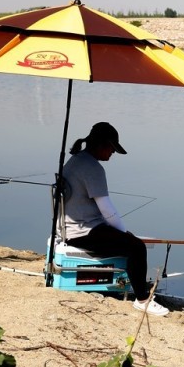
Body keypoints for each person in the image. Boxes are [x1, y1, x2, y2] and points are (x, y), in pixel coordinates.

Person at [61, 121, 168, 316]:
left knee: (128, 241)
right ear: (102, 145)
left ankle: (134, 285)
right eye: (111, 149)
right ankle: (142, 300)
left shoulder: (76, 161)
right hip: (82, 232)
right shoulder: (92, 168)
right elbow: (107, 209)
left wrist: (123, 234)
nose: (112, 154)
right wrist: (125, 234)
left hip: (70, 227)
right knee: (136, 247)